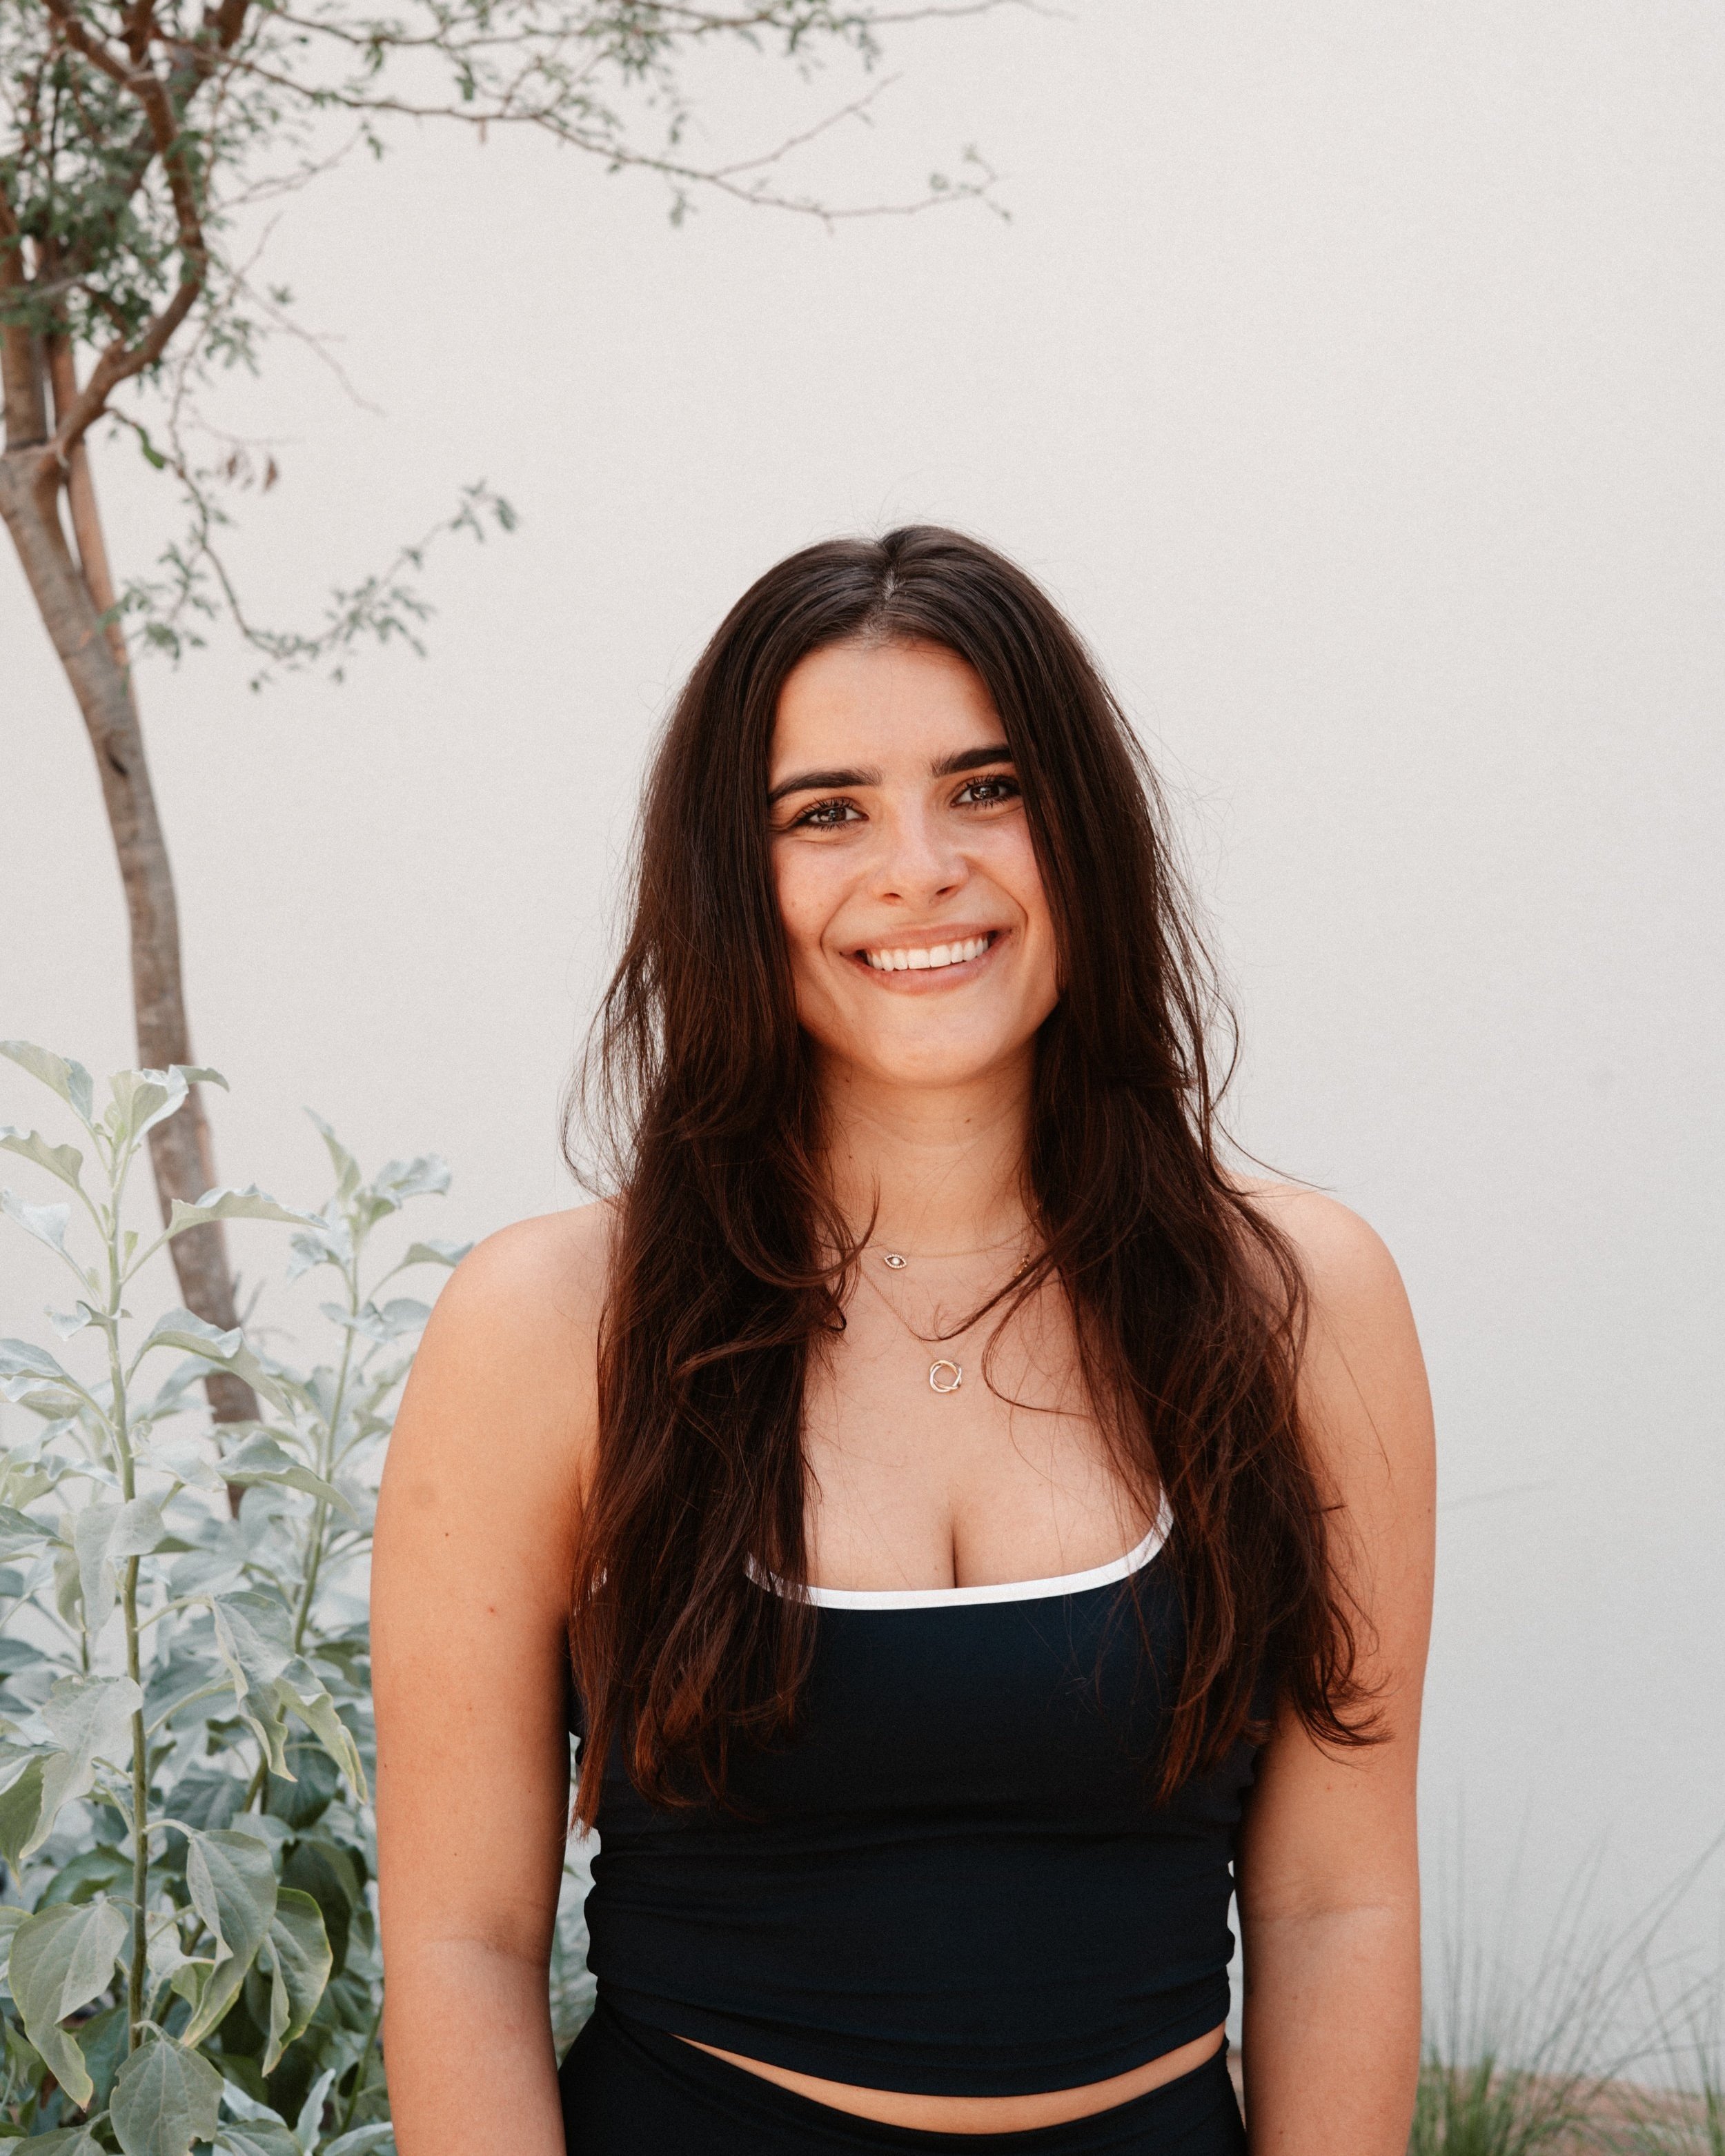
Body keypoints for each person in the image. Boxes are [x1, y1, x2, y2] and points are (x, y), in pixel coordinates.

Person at [371, 526, 1436, 2155]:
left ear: (1082, 829)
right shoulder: (551, 1324)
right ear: (735, 876)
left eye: (987, 788)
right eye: (828, 812)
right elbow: (461, 1947)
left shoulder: (1295, 1300)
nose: (920, 867)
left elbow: (1332, 1904)